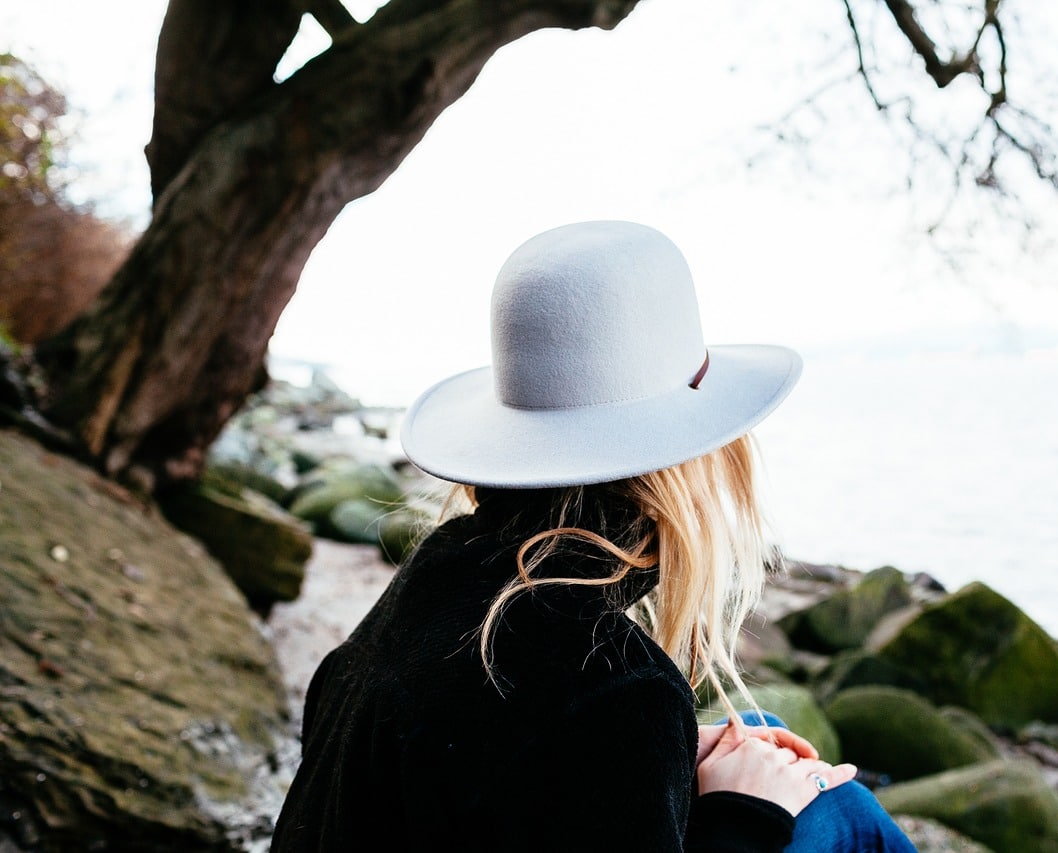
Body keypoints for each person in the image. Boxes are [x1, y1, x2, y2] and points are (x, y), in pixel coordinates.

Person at [271, 221, 916, 851]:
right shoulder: (616, 686)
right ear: (695, 465)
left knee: (760, 738)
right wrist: (744, 814)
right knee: (841, 812)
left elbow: (477, 757)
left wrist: (663, 758)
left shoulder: (438, 577)